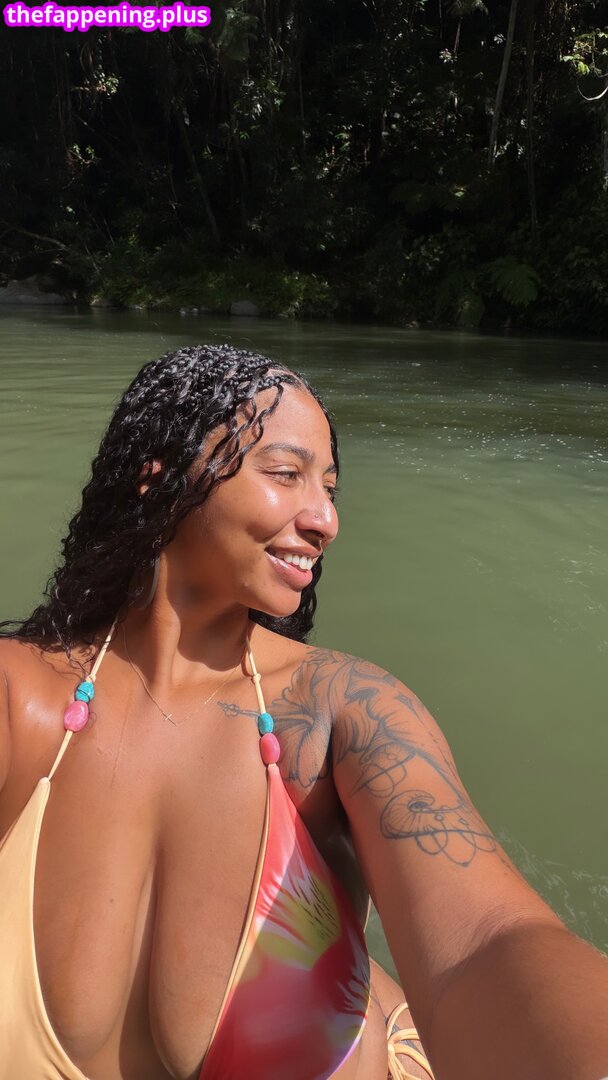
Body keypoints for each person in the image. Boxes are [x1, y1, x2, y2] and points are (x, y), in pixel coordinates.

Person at [0, 343, 606, 1080]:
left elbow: (488, 939)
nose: (325, 520)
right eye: (285, 474)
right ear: (157, 484)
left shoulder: (344, 710)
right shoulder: (18, 699)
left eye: (330, 488)